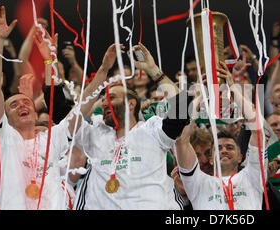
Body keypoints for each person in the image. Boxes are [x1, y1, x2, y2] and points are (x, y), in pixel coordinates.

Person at [0, 6, 90, 209]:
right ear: (4, 117)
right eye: (13, 104)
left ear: (35, 113)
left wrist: (50, 59)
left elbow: (66, 105)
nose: (22, 105)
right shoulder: (1, 138)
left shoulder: (51, 140)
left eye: (26, 102)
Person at [72, 42, 193, 210]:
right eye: (104, 99)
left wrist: (153, 70)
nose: (105, 103)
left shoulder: (152, 129)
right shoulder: (95, 132)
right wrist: (103, 70)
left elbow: (181, 108)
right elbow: (70, 118)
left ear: (131, 104)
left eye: (112, 97)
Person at [175, 62, 268, 210]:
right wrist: (198, 97)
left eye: (230, 147)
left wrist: (233, 90)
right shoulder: (198, 182)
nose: (224, 150)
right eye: (218, 148)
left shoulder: (252, 176)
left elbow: (257, 128)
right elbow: (182, 140)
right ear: (210, 159)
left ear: (240, 157)